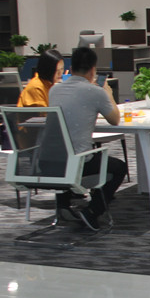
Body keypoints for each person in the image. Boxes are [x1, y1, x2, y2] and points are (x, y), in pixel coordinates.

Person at [48, 46, 126, 231]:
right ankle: (92, 211)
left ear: (71, 68)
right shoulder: (95, 92)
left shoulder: (54, 90)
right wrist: (108, 94)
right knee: (119, 168)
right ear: (93, 70)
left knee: (71, 149)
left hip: (50, 162)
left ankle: (63, 205)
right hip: (79, 164)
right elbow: (115, 119)